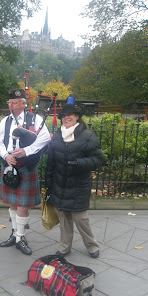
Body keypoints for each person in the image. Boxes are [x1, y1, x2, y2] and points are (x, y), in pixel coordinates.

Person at [0, 89, 51, 255]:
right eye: (9, 103)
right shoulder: (5, 121)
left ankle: (20, 237)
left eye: (14, 102)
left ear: (23, 104)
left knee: (22, 204)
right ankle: (14, 233)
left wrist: (27, 151)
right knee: (13, 202)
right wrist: (5, 155)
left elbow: (45, 139)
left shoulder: (35, 119)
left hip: (26, 166)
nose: (10, 105)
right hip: (9, 165)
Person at [45, 104, 104, 259]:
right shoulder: (57, 136)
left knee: (81, 219)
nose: (66, 117)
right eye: (64, 115)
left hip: (78, 186)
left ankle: (92, 246)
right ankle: (64, 247)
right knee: (64, 219)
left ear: (77, 117)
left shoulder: (87, 136)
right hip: (59, 185)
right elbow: (51, 162)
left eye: (70, 114)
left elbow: (99, 159)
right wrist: (49, 183)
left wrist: (79, 163)